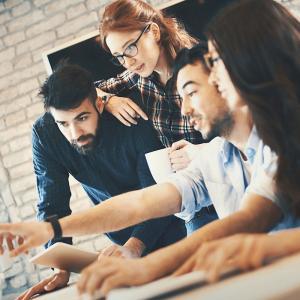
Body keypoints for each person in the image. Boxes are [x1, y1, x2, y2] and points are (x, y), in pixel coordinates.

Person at [1, 42, 297, 296]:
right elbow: (144, 201)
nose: (184, 110)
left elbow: (250, 219)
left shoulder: (281, 143)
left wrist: (150, 265)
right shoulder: (214, 156)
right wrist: (50, 229)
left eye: (191, 93)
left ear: (227, 84)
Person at [8, 63, 186, 300]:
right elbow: (52, 204)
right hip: (121, 245)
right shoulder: (44, 134)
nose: (75, 133)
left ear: (100, 104)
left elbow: (157, 193)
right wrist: (61, 267)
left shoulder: (133, 115)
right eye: (63, 123)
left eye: (82, 117)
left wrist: (135, 246)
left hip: (176, 230)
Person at [169, 0, 300, 281]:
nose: (214, 78)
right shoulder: (281, 134)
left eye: (215, 62)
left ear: (249, 55)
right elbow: (250, 216)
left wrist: (271, 245)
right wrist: (147, 267)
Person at [96, 0, 218, 233]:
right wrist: (108, 100)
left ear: (153, 31)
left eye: (130, 48)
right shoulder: (139, 76)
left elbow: (245, 132)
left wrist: (201, 153)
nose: (128, 62)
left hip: (226, 186)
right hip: (191, 205)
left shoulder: (199, 63)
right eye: (119, 56)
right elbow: (87, 90)